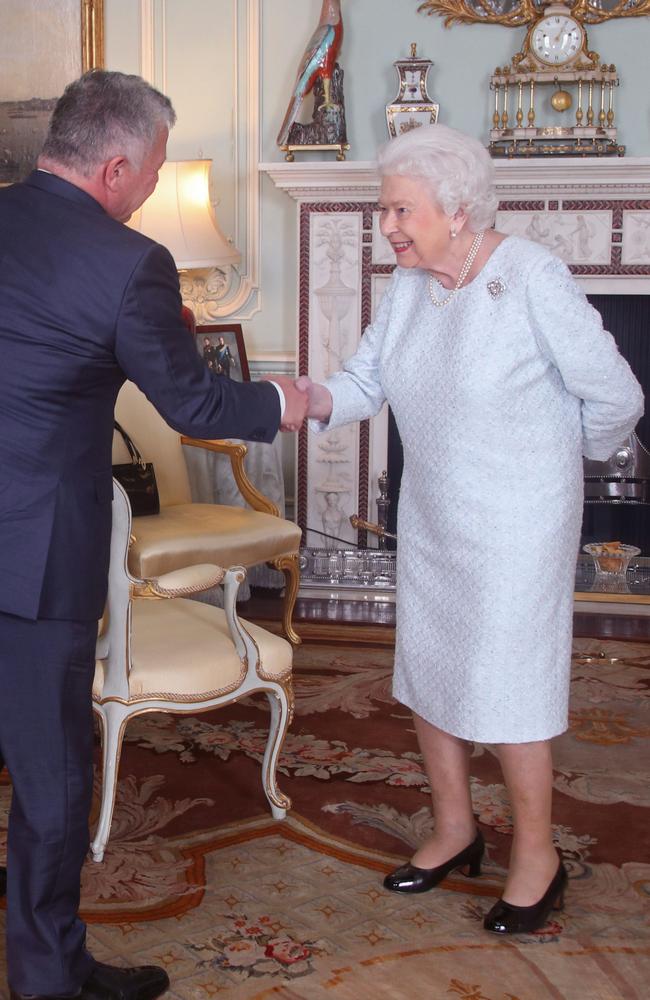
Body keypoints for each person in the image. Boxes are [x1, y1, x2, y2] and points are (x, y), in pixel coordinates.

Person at [0, 70, 307, 1000]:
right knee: (52, 781)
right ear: (121, 163)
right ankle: (51, 981)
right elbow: (196, 401)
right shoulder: (129, 263)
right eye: (155, 170)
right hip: (37, 560)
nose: (148, 188)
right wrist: (287, 400)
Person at [297, 123, 643, 936]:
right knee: (432, 666)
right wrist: (301, 400)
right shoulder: (413, 286)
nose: (388, 226)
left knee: (510, 685)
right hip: (435, 511)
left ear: (456, 210)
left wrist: (563, 456)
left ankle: (537, 856)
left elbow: (619, 394)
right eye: (385, 210)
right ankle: (455, 829)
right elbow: (364, 380)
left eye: (401, 210)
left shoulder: (530, 276)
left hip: (519, 516)